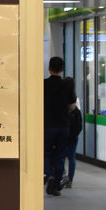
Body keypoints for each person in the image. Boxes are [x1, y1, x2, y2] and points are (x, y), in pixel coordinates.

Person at [44, 56, 76, 196]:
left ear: (49, 68)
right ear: (62, 69)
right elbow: (72, 105)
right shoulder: (67, 85)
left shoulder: (43, 84)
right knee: (60, 155)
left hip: (47, 125)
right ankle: (56, 185)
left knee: (45, 152)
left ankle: (48, 175)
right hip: (63, 125)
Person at [63, 95, 82, 189]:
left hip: (68, 138)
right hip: (71, 138)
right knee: (69, 158)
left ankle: (66, 178)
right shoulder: (77, 112)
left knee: (64, 157)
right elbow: (79, 127)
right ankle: (67, 178)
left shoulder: (64, 111)